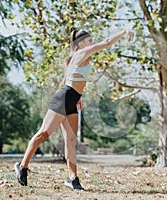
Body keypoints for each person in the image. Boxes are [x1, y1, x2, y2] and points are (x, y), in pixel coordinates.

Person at [14, 28, 134, 190]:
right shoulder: (83, 52)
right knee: (44, 133)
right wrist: (123, 31)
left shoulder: (76, 58)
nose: (92, 43)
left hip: (72, 98)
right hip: (63, 98)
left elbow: (68, 79)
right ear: (81, 43)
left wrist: (79, 97)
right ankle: (22, 166)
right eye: (90, 40)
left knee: (71, 141)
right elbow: (106, 43)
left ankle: (73, 178)